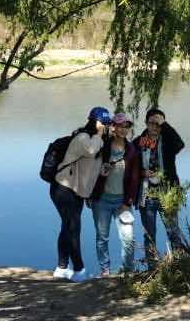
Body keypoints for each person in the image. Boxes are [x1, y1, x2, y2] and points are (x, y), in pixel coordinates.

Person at [50, 106, 110, 282]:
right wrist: (99, 134)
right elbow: (90, 151)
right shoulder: (83, 138)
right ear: (93, 121)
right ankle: (79, 270)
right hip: (63, 188)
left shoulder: (98, 141)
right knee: (73, 228)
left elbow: (90, 165)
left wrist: (102, 170)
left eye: (107, 123)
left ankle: (61, 268)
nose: (105, 126)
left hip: (76, 191)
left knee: (67, 227)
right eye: (102, 122)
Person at [87, 112, 140, 276]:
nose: (123, 130)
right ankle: (105, 270)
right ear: (113, 128)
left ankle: (127, 271)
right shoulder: (102, 146)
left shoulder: (132, 150)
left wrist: (128, 201)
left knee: (128, 239)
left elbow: (134, 178)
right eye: (120, 126)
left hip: (122, 203)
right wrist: (88, 194)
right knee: (102, 238)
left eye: (126, 126)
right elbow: (90, 170)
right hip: (101, 201)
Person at [135, 108, 188, 264]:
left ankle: (179, 265)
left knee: (173, 232)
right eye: (152, 123)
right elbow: (129, 163)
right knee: (149, 234)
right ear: (146, 123)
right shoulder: (140, 141)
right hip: (147, 195)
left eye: (158, 124)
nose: (155, 127)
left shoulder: (167, 142)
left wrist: (165, 124)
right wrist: (141, 172)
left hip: (167, 194)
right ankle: (152, 268)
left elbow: (180, 144)